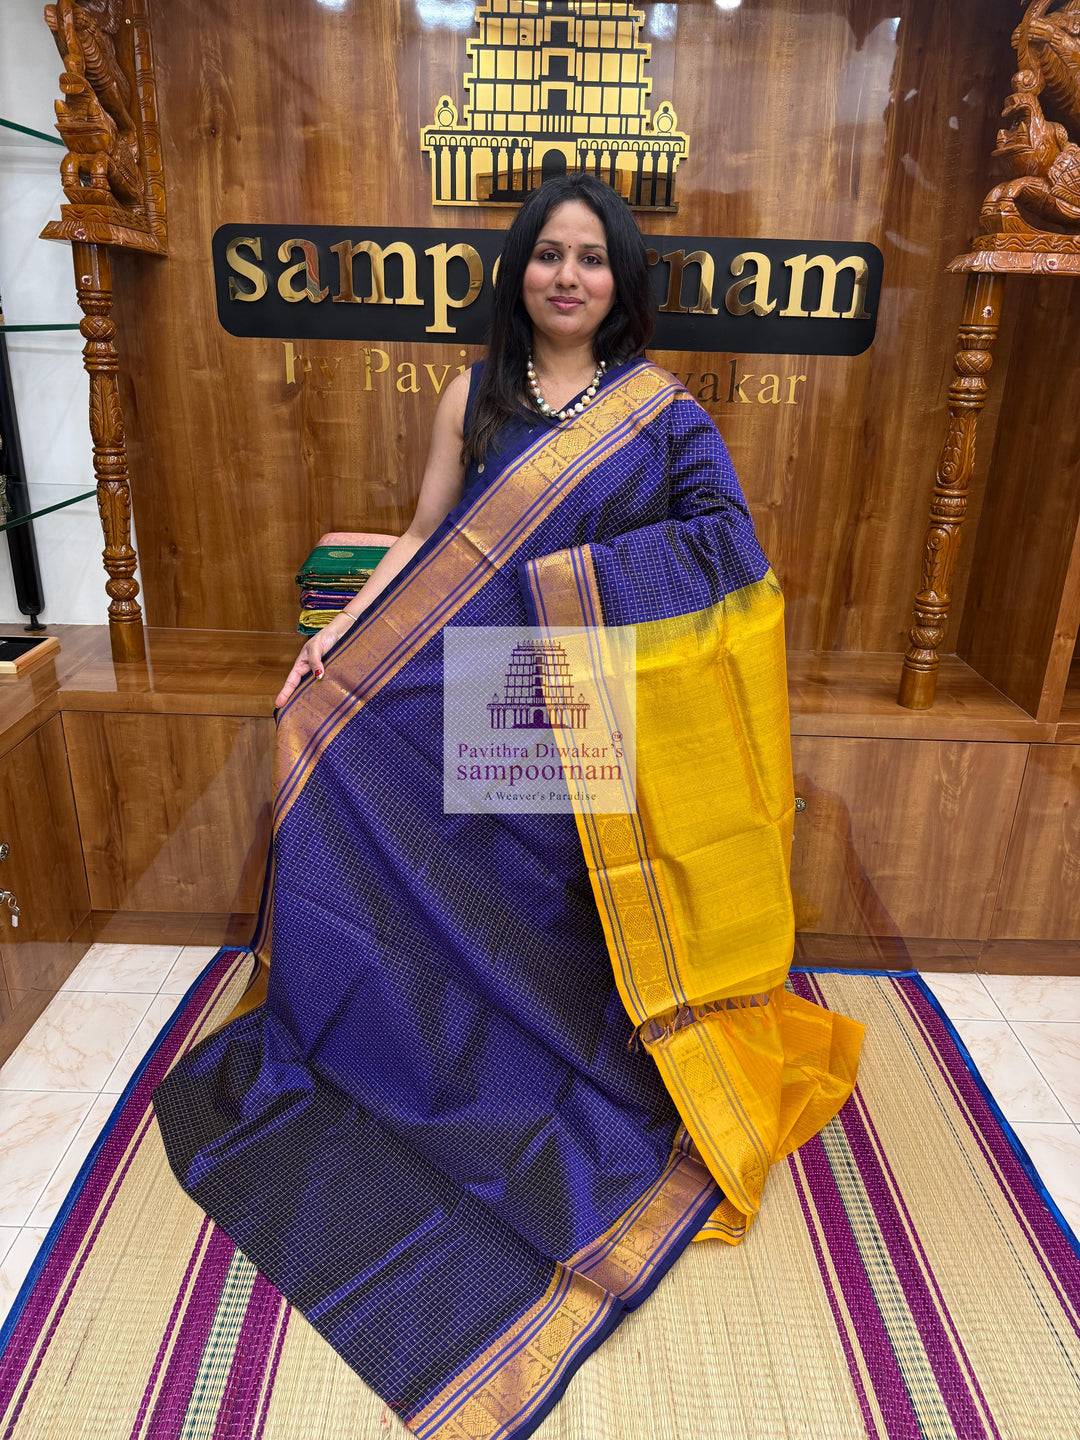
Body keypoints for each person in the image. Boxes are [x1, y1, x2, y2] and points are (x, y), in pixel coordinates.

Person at [154, 175, 862, 1440]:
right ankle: (417, 1051)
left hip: (578, 694)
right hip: (464, 682)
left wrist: (572, 579)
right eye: (548, 255)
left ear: (620, 280)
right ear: (520, 273)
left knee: (538, 914)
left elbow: (729, 548)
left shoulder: (663, 417)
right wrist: (330, 647)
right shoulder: (471, 395)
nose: (569, 276)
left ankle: (545, 1072)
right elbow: (426, 538)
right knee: (435, 876)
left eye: (592, 258)